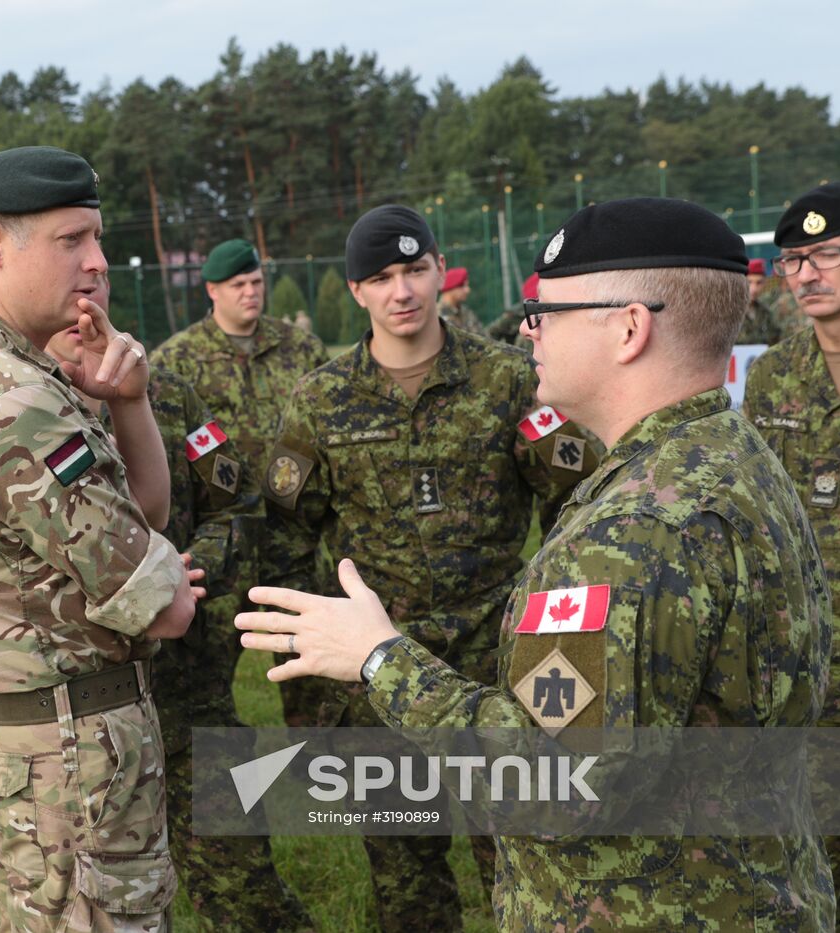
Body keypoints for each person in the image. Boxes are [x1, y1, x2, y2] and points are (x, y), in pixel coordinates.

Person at [238, 197, 834, 929]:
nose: (528, 330)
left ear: (628, 327)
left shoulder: (633, 531)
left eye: (545, 311)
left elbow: (554, 786)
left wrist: (378, 657)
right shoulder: (732, 455)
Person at [0, 146, 195, 932]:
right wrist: (164, 579)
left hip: (33, 746)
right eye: (72, 240)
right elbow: (164, 605)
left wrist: (128, 400)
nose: (98, 262)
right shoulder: (12, 397)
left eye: (97, 240)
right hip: (70, 760)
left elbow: (144, 518)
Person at [262, 205, 597, 930]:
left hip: (496, 663)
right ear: (356, 292)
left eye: (415, 269)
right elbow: (289, 535)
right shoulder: (321, 400)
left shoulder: (509, 380)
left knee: (522, 855)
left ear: (439, 269)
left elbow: (578, 508)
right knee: (406, 876)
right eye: (381, 277)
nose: (402, 290)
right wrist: (306, 673)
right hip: (377, 672)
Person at [45, 275, 312, 930]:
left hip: (188, 681)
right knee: (96, 900)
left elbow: (237, 503)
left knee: (244, 880)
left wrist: (194, 572)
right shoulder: (23, 411)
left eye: (97, 291)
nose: (85, 308)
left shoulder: (165, 396)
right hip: (78, 711)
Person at [153, 238, 329, 728]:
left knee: (312, 679)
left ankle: (320, 770)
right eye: (238, 285)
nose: (251, 292)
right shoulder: (179, 361)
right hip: (222, 551)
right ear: (212, 290)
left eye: (256, 282)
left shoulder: (301, 349)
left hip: (292, 542)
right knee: (202, 685)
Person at [743, 180, 840, 897]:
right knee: (818, 842)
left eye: (827, 254)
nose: (806, 274)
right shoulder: (774, 375)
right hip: (815, 653)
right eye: (794, 260)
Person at [739, 257, 783, 345]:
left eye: (759, 283)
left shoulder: (766, 313)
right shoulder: (730, 313)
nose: (754, 289)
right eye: (749, 282)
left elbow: (775, 340)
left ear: (764, 283)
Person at [437, 266, 483, 335]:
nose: (468, 290)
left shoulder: (466, 312)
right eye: (463, 286)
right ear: (451, 287)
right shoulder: (437, 316)